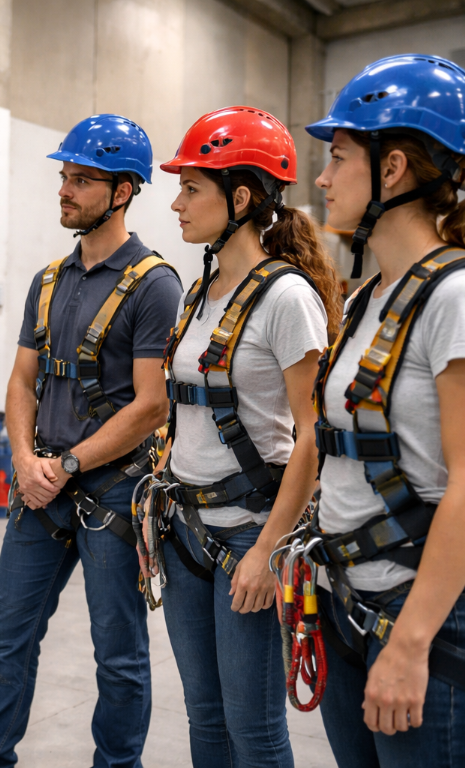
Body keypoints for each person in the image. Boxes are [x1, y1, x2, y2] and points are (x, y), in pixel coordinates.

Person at [0, 114, 183, 768]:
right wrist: (26, 461)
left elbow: (151, 404)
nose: (64, 189)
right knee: (7, 636)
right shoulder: (49, 280)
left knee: (118, 655)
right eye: (65, 176)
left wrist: (70, 463)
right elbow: (22, 381)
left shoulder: (154, 284)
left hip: (112, 490)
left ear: (122, 191)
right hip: (41, 486)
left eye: (81, 179)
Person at [304, 54, 465, 766]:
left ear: (391, 169)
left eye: (337, 157)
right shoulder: (369, 296)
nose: (323, 178)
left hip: (429, 622)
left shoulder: (461, 297)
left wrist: (410, 643)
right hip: (348, 603)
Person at [140, 106, 342, 768]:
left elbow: (312, 437)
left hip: (247, 538)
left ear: (242, 198)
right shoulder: (200, 293)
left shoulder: (287, 299)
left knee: (252, 730)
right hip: (186, 533)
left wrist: (266, 551)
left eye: (191, 188)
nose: (176, 203)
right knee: (204, 715)